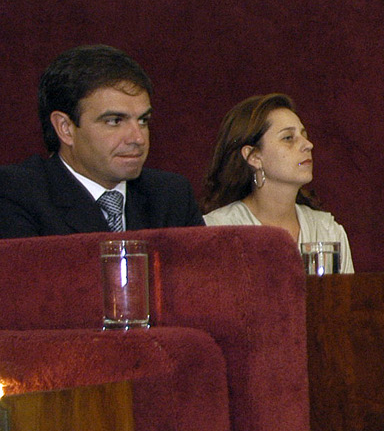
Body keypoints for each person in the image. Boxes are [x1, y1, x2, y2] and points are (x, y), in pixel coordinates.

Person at [0, 44, 203, 237]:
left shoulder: (171, 195)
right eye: (115, 121)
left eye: (143, 120)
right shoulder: (17, 195)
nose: (138, 138)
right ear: (65, 128)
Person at [201, 94, 354, 271]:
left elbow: (346, 298)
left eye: (304, 135)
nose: (308, 144)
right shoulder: (217, 231)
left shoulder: (328, 230)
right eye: (288, 138)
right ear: (254, 157)